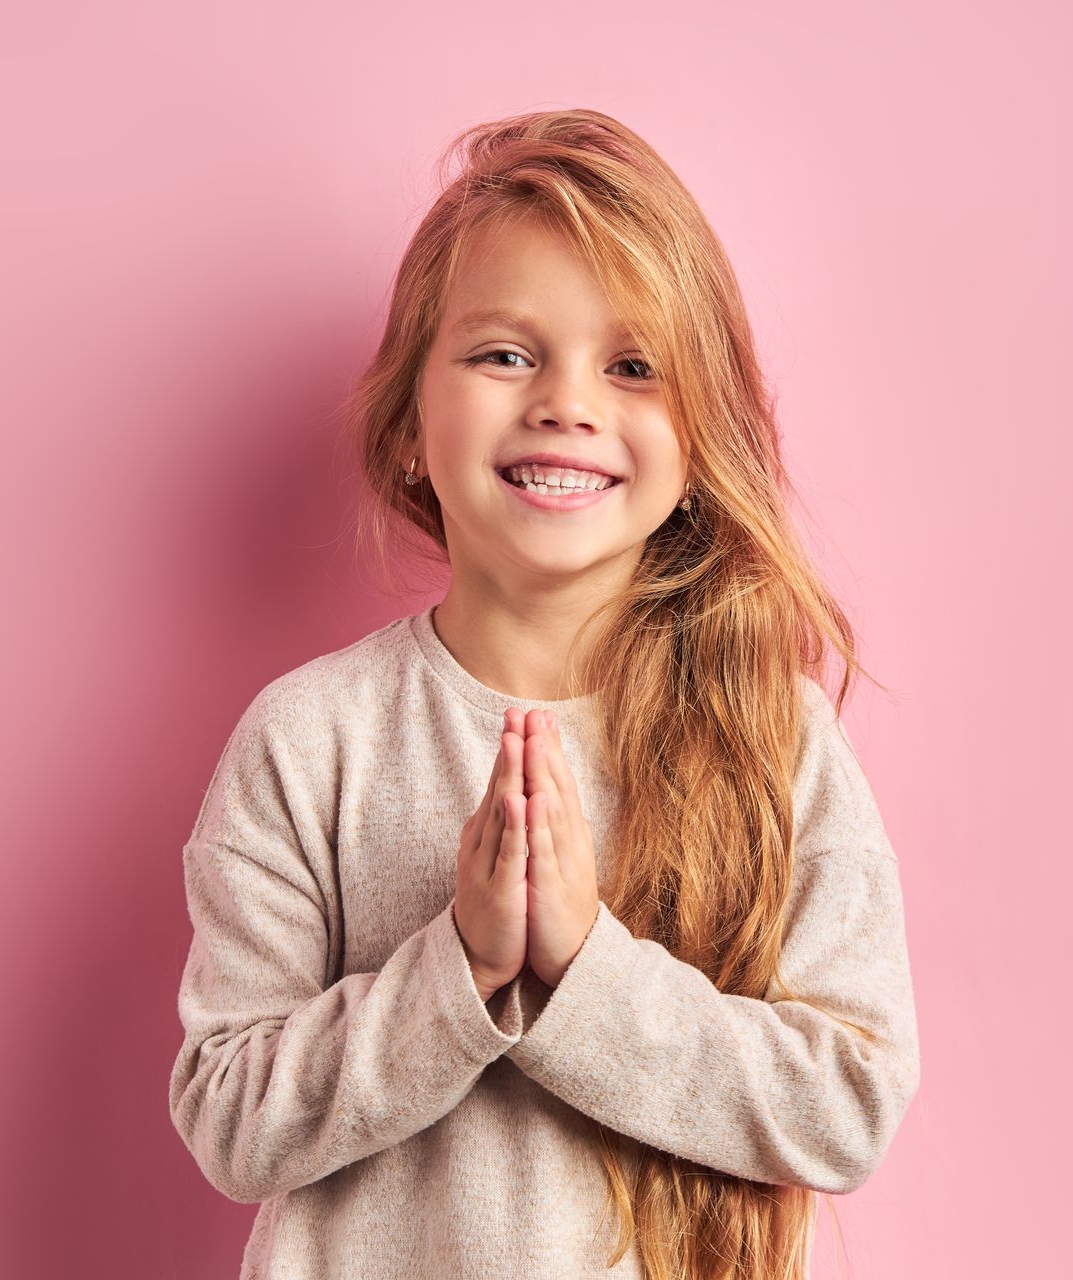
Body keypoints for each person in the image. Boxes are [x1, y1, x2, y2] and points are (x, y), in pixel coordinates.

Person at [167, 107, 920, 1280]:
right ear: (410, 424)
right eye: (506, 355)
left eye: (632, 366)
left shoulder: (776, 739)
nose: (567, 402)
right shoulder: (310, 738)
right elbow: (228, 1112)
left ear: (698, 445)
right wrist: (458, 964)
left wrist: (585, 967)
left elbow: (850, 1103)